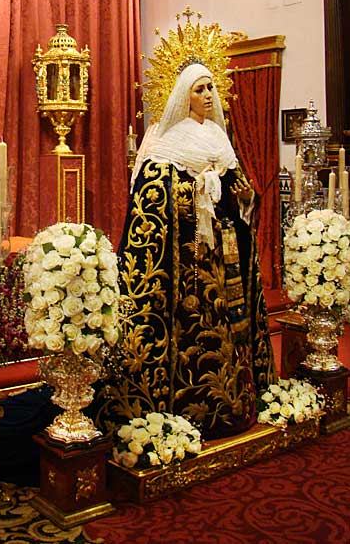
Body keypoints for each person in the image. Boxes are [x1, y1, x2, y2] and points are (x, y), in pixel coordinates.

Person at [98, 60, 276, 440]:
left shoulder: (219, 140)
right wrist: (192, 191)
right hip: (186, 263)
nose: (208, 95)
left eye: (211, 88)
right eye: (200, 89)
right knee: (192, 331)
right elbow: (150, 196)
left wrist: (246, 199)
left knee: (225, 330)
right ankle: (184, 409)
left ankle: (231, 404)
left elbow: (238, 196)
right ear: (184, 96)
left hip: (224, 259)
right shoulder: (166, 142)